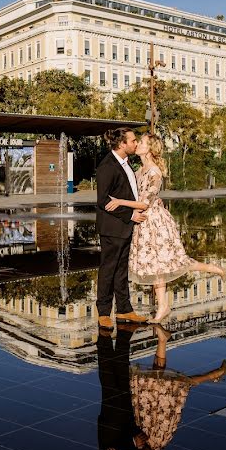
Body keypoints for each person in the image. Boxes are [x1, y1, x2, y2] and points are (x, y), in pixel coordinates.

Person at [106, 133, 226, 324]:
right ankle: (164, 307)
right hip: (144, 222)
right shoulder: (139, 170)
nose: (137, 144)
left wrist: (119, 202)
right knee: (158, 266)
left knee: (171, 262)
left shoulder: (154, 172)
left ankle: (212, 268)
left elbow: (144, 203)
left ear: (150, 149)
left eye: (142, 142)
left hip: (155, 224)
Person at [106, 325, 226, 450]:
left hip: (144, 421)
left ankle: (163, 340)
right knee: (176, 384)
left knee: (155, 378)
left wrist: (129, 446)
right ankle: (215, 374)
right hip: (157, 426)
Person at [96, 128, 149, 329]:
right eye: (133, 141)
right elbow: (103, 201)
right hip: (112, 228)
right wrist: (130, 215)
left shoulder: (126, 164)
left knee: (121, 271)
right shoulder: (107, 166)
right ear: (121, 144)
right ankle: (103, 312)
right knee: (108, 270)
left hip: (124, 227)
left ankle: (124, 309)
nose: (136, 144)